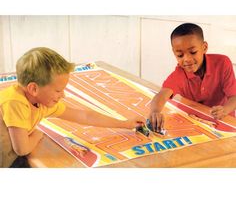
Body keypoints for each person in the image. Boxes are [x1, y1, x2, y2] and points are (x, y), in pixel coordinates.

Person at [0, 47, 145, 167]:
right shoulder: (15, 102)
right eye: (58, 90)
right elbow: (22, 149)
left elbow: (84, 116)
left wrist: (125, 124)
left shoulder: (40, 102)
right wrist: (37, 134)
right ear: (33, 89)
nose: (63, 95)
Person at [149, 23, 236, 132]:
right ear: (174, 53)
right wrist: (155, 112)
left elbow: (234, 97)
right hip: (194, 124)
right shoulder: (179, 74)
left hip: (224, 123)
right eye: (180, 55)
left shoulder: (222, 63)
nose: (187, 59)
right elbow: (162, 95)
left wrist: (225, 110)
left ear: (204, 47)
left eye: (193, 52)